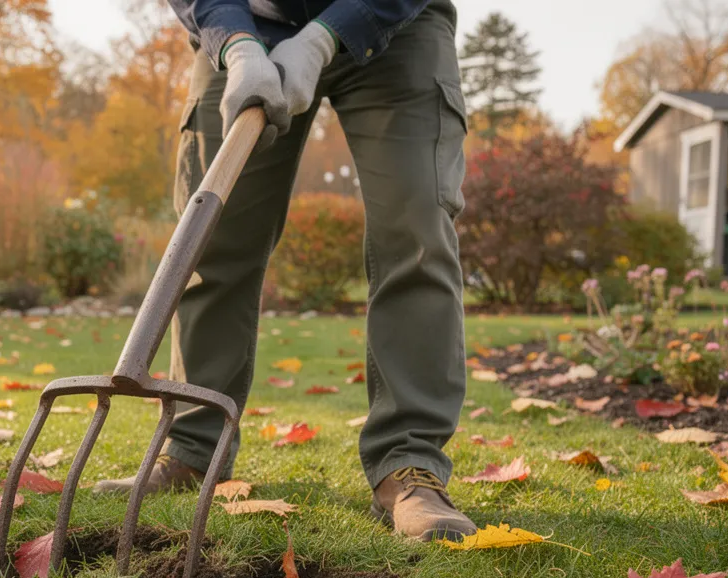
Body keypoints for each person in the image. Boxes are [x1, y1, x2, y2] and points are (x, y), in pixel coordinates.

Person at [95, 0, 477, 542]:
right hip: (251, 23)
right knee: (213, 238)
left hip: (396, 26)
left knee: (415, 230)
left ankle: (409, 464)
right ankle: (195, 449)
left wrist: (324, 37)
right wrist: (235, 42)